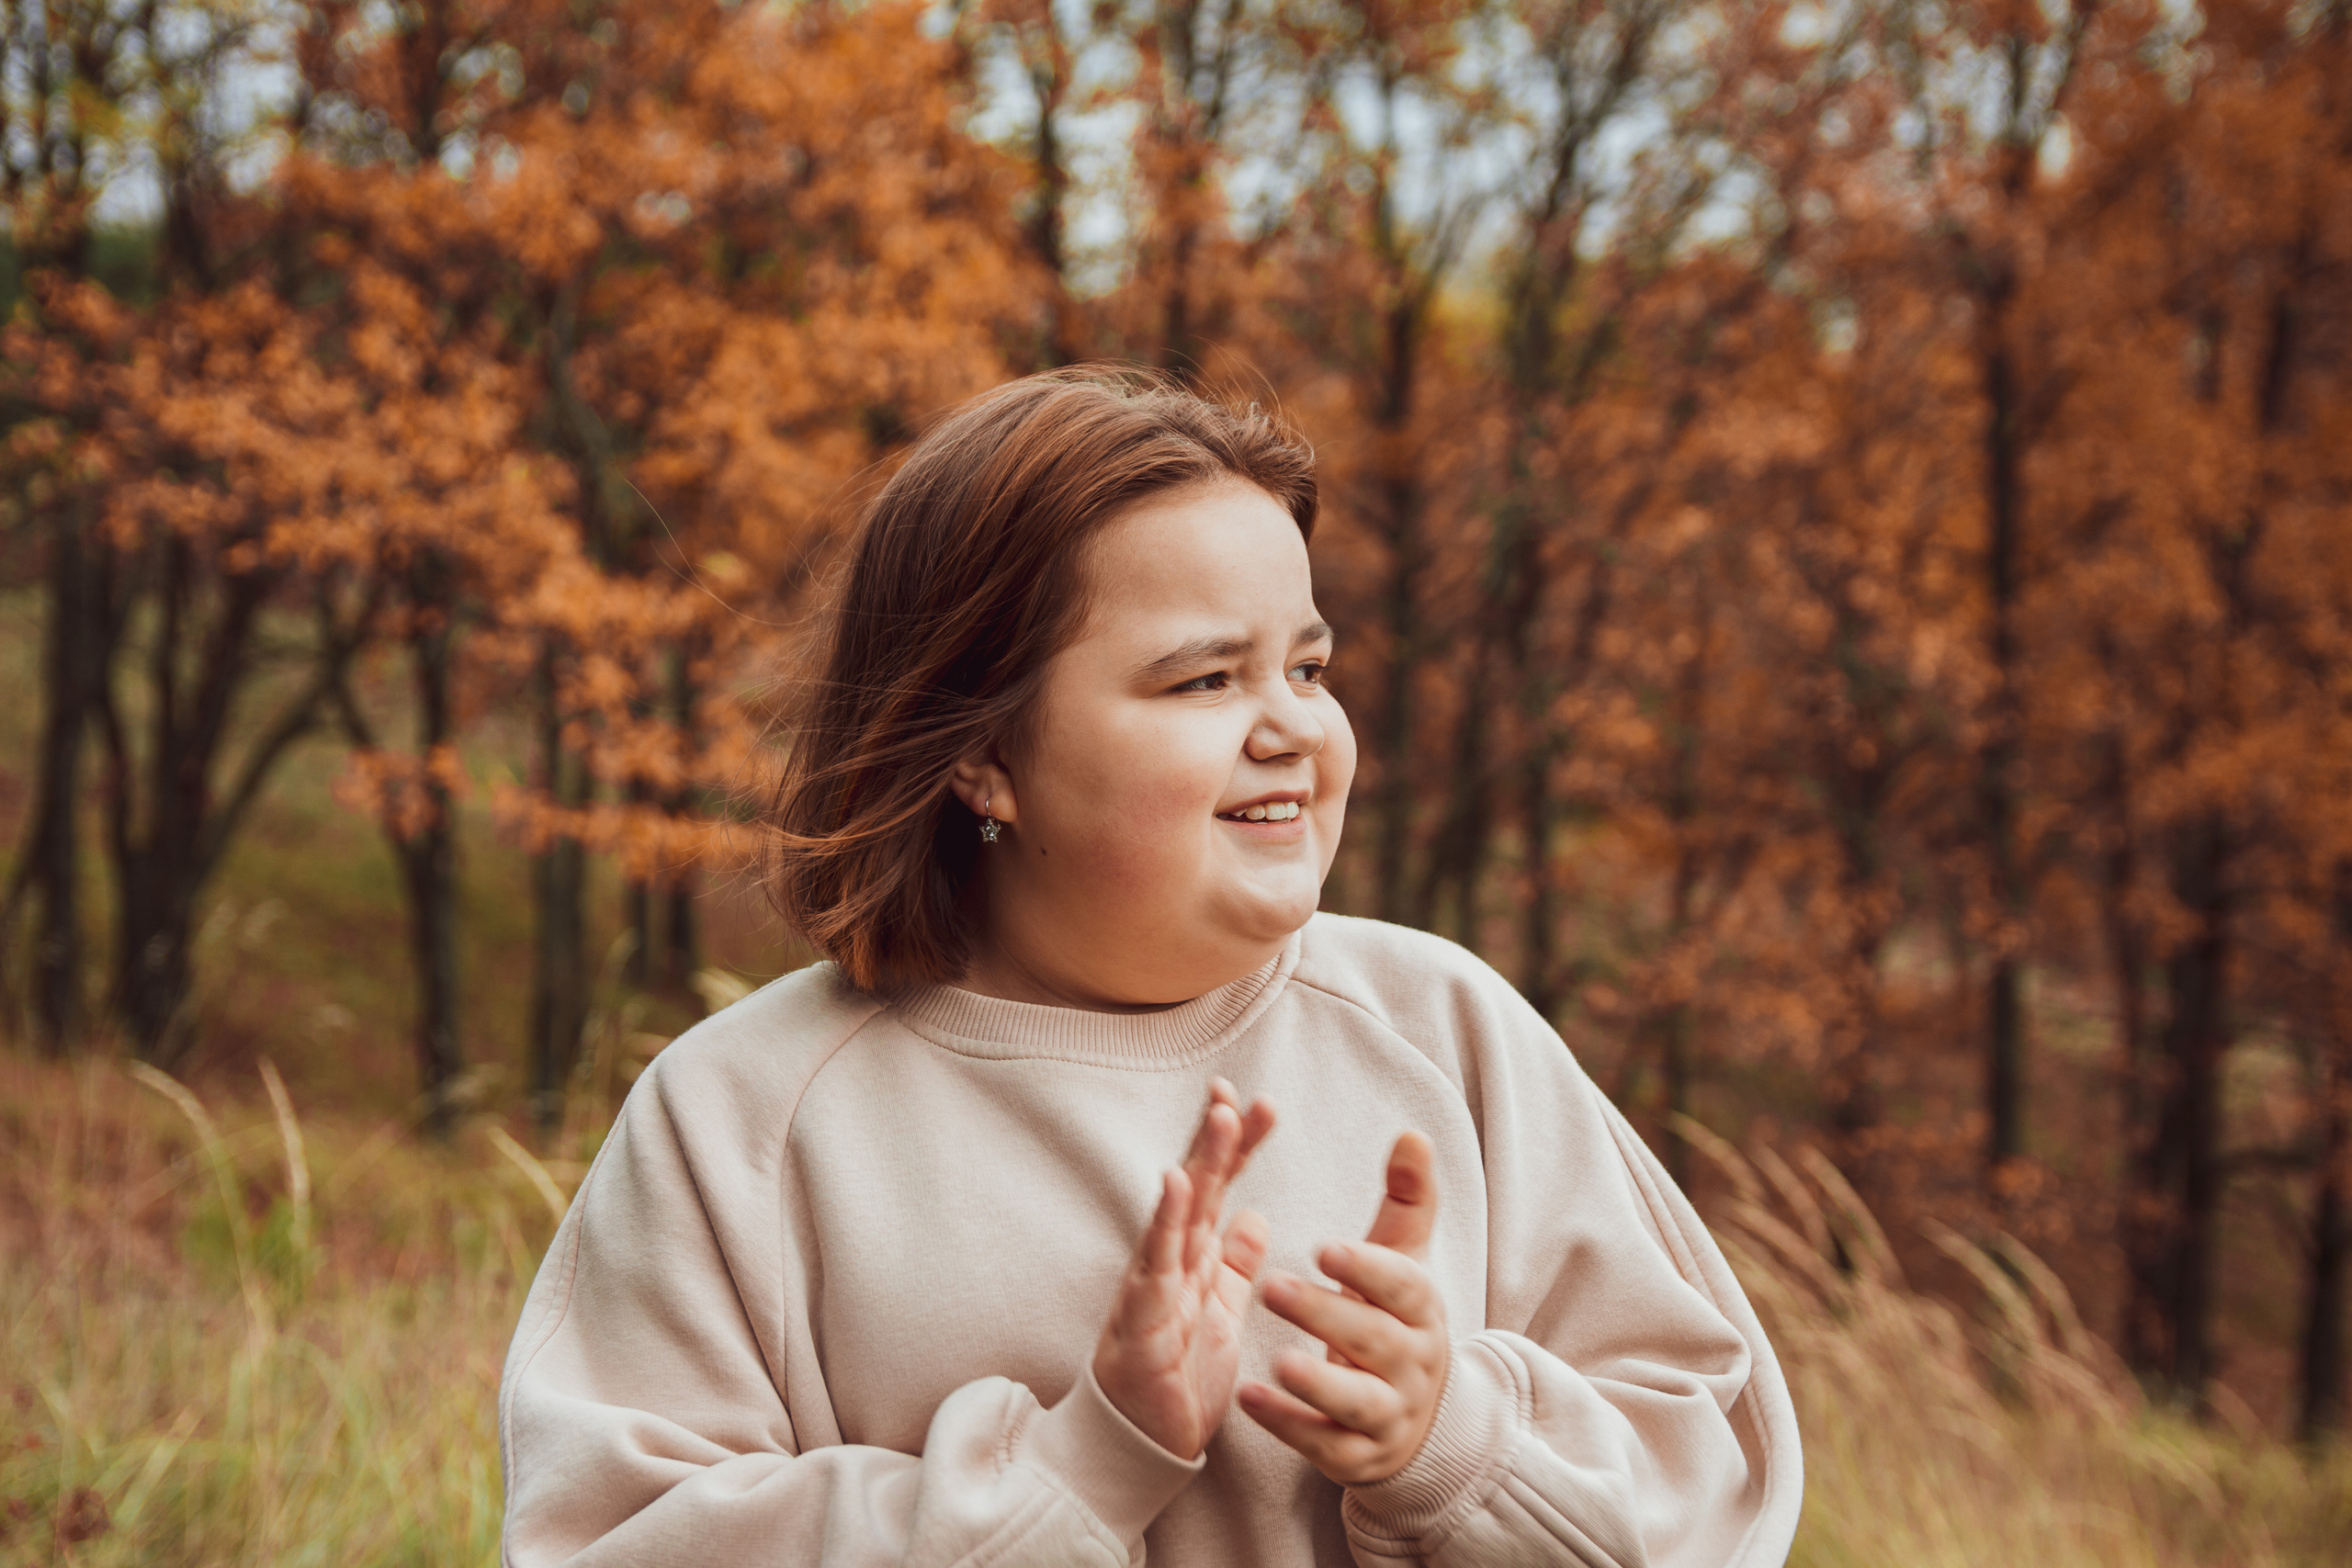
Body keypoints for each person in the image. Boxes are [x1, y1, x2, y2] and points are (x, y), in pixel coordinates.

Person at [498, 368, 1802, 1568]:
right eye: (1202, 681)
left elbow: (1719, 1485)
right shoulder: (746, 1117)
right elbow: (608, 1541)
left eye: (1306, 664)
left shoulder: (1446, 1032)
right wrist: (1068, 1475)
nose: (1293, 724)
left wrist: (1452, 1438)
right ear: (984, 753)